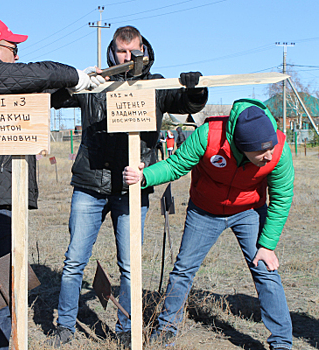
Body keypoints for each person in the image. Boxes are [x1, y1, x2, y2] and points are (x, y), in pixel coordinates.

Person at [46, 25, 208, 347]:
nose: (128, 57)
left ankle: (124, 329)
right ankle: (65, 325)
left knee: (130, 265)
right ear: (113, 53)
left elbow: (188, 104)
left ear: (144, 51)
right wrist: (73, 80)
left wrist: (195, 89)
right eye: (122, 51)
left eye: (134, 50)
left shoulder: (156, 86)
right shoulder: (96, 85)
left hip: (132, 186)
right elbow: (56, 100)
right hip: (90, 184)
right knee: (74, 259)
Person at [0, 19, 106, 350]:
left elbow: (38, 91)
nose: (18, 56)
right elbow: (36, 74)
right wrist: (74, 74)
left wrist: (77, 88)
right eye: (13, 48)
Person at [123, 99, 294, 350]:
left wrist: (267, 245)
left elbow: (281, 198)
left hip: (249, 210)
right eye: (261, 151)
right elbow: (175, 164)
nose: (268, 156)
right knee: (183, 269)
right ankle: (166, 329)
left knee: (265, 269)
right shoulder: (208, 136)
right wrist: (145, 176)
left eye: (271, 149)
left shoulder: (278, 150)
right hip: (204, 210)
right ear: (242, 146)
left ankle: (281, 342)